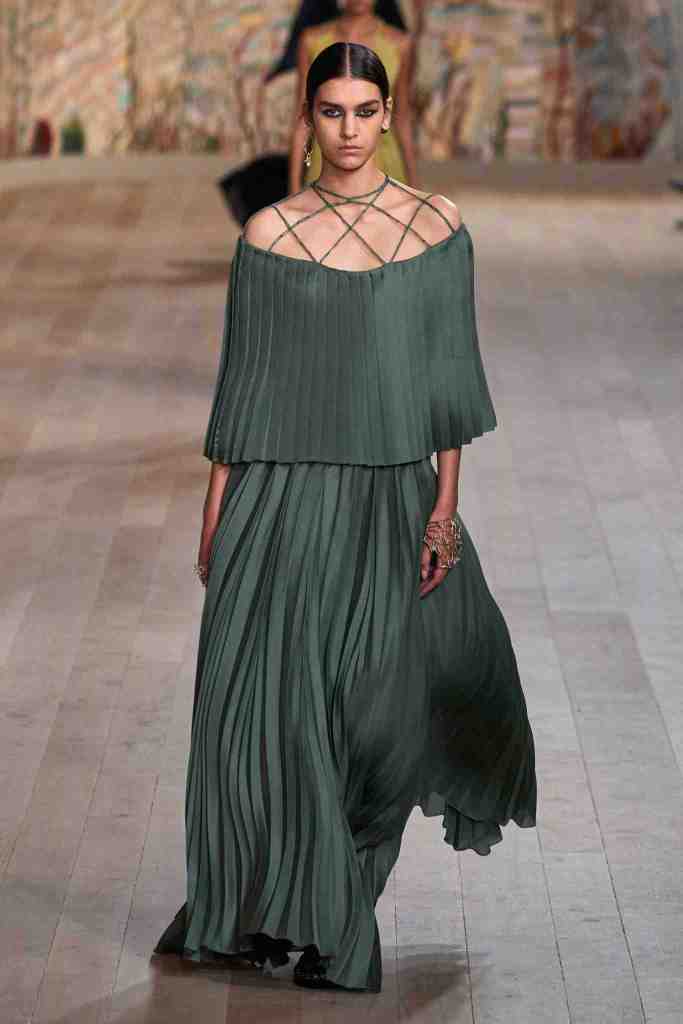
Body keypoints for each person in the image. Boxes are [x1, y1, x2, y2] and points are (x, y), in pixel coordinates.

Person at [154, 41, 537, 994]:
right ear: (307, 120)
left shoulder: (436, 228)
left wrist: (443, 507)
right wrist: (214, 519)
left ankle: (313, 901)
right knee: (272, 721)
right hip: (279, 501)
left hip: (390, 498)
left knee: (380, 723)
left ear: (389, 115)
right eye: (332, 112)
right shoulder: (270, 234)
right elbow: (243, 389)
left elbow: (450, 379)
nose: (350, 130)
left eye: (366, 111)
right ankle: (305, 921)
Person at [288, 0, 418, 193]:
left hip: (385, 163)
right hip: (326, 163)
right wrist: (293, 186)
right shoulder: (312, 41)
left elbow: (403, 118)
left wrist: (414, 185)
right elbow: (302, 121)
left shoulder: (399, 44)